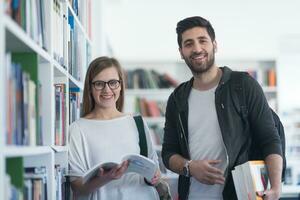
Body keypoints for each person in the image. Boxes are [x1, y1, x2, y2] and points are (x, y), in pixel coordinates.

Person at [161, 16, 283, 200]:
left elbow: (270, 138)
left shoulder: (243, 85)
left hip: (241, 195)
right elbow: (168, 153)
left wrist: (275, 187)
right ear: (181, 52)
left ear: (215, 45)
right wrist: (190, 167)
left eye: (202, 41)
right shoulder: (177, 98)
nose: (196, 49)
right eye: (188, 43)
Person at [68, 56, 160, 200]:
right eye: (99, 84)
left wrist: (154, 177)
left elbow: (154, 168)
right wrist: (107, 177)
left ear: (121, 85)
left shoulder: (137, 122)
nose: (107, 89)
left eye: (113, 83)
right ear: (90, 88)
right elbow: (77, 187)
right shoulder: (77, 129)